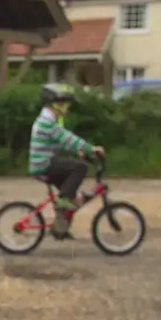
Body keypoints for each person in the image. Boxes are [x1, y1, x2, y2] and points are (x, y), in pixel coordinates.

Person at [30, 84, 103, 239]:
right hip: (44, 165)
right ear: (54, 104)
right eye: (63, 103)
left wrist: (78, 151)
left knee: (71, 196)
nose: (66, 107)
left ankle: (60, 228)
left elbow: (61, 142)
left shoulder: (50, 120)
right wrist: (91, 148)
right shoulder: (47, 122)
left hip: (46, 163)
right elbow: (68, 138)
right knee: (80, 168)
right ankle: (63, 200)